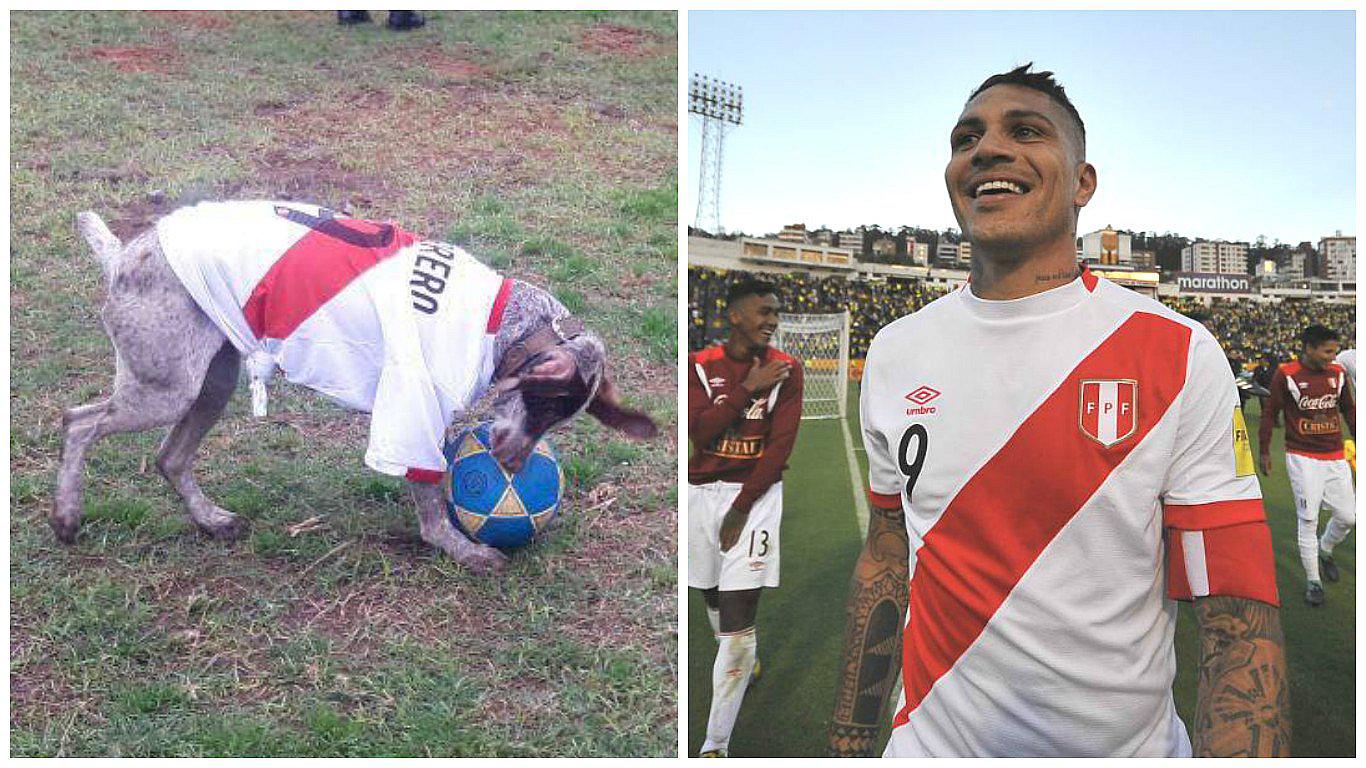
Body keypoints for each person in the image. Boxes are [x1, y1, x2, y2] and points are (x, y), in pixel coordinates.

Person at [827, 64, 1288, 757]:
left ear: (1082, 182)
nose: (987, 149)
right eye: (966, 139)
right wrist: (848, 742)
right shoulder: (896, 351)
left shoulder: (1177, 351)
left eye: (1025, 132)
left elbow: (1237, 620)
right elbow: (888, 552)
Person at [688, 278, 804, 757]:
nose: (772, 320)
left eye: (776, 312)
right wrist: (746, 390)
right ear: (735, 315)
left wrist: (741, 509)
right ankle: (742, 662)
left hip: (755, 499)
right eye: (764, 311)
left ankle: (715, 747)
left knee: (737, 632)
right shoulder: (700, 366)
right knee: (710, 591)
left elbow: (779, 449)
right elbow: (699, 434)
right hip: (700, 494)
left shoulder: (787, 370)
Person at [1258, 325, 1356, 606]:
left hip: (1335, 455)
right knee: (1308, 519)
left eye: (1334, 351)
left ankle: (1325, 548)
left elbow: (1349, 409)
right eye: (1327, 351)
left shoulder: (1338, 373)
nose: (1332, 357)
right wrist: (1264, 450)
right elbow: (1270, 413)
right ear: (1309, 348)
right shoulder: (1286, 374)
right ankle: (1314, 581)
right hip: (1302, 457)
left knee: (1349, 517)